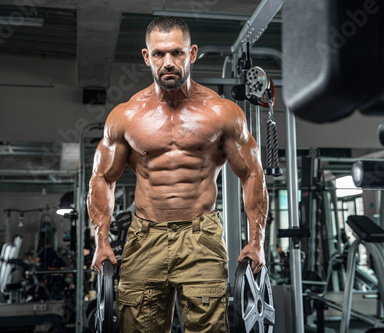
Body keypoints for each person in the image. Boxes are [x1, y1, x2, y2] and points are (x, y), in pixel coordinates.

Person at [87, 16, 268, 332]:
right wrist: (101, 241)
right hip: (144, 238)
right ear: (147, 57)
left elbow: (253, 173)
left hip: (202, 237)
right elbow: (101, 177)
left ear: (192, 53)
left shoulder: (222, 113)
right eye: (159, 54)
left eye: (177, 53)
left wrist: (258, 240)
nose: (168, 62)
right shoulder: (125, 116)